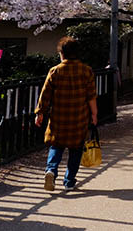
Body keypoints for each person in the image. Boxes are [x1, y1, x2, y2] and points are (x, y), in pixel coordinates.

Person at [35, 36, 98, 192]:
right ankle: (69, 181)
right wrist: (94, 114)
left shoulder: (55, 71)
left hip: (59, 117)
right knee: (76, 149)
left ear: (62, 53)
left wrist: (40, 113)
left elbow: (45, 95)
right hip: (79, 117)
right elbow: (91, 96)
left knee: (56, 146)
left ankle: (51, 170)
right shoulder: (86, 71)